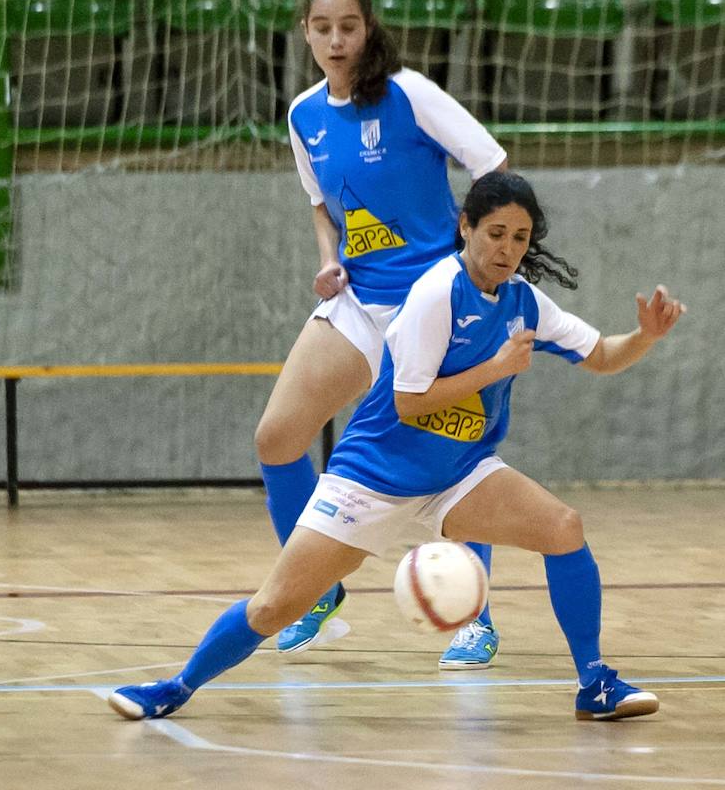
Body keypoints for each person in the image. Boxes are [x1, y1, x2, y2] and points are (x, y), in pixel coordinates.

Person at [109, 170, 683, 723]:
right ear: (466, 227)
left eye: (520, 238)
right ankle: (173, 688)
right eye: (496, 233)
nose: (507, 249)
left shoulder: (525, 302)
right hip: (372, 479)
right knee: (273, 607)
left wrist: (645, 338)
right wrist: (495, 367)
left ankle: (596, 683)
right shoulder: (436, 292)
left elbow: (603, 356)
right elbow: (412, 404)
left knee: (563, 527)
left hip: (458, 475)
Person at [260, 0, 508, 668]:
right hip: (357, 301)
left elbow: (492, 166)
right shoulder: (304, 114)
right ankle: (318, 588)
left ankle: (474, 618)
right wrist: (329, 260)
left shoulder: (409, 94)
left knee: (450, 458)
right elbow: (320, 203)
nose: (335, 40)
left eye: (348, 26)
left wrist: (471, 266)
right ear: (304, 33)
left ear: (368, 28)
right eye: (321, 27)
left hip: (429, 302)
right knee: (278, 437)